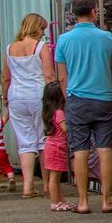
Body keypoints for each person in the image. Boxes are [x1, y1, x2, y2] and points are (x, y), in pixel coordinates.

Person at [54, 0, 112, 215]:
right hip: (103, 100)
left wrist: (69, 98)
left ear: (74, 13)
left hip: (77, 100)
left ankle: (83, 202)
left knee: (80, 151)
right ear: (94, 12)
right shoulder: (107, 38)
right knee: (105, 149)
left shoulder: (64, 40)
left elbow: (62, 76)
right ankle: (106, 201)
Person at [3, 12, 50, 198]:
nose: (43, 33)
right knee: (43, 140)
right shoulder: (40, 47)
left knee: (25, 143)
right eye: (42, 29)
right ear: (36, 28)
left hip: (16, 96)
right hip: (38, 96)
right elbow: (49, 76)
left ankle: (28, 186)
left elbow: (6, 77)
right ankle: (47, 185)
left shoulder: (10, 48)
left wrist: (5, 98)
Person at [40, 82, 71, 212]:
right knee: (54, 177)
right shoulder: (59, 113)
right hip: (57, 148)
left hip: (52, 147)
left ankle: (61, 200)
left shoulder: (49, 112)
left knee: (56, 178)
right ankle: (54, 202)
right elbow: (65, 129)